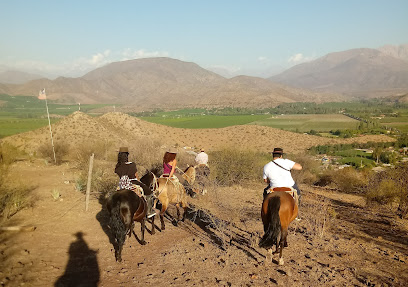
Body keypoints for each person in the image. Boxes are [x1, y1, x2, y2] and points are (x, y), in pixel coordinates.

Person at [114, 147, 156, 218]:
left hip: (122, 184)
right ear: (127, 156)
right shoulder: (132, 165)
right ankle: (149, 211)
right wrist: (140, 183)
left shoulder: (117, 167)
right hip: (133, 181)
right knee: (149, 192)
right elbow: (136, 176)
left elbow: (121, 176)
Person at [263, 147, 303, 219]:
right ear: (281, 155)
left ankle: (265, 211)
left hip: (273, 187)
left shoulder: (266, 166)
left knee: (265, 193)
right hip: (289, 185)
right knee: (298, 193)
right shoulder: (286, 162)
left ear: (273, 155)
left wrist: (271, 181)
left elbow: (265, 180)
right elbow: (299, 167)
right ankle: (297, 214)